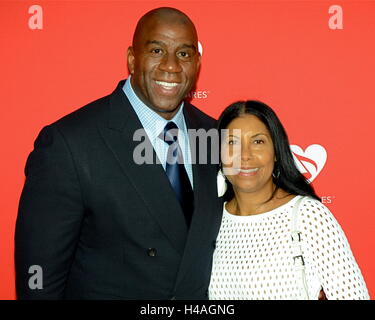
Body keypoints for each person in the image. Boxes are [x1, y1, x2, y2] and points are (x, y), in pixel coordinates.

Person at [15, 7, 222, 299]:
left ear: (198, 63)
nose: (171, 66)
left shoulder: (216, 136)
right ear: (131, 59)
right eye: (157, 50)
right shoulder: (69, 144)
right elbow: (39, 281)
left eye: (185, 54)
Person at [208, 100, 369, 300]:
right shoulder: (208, 219)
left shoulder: (309, 216)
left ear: (276, 152)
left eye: (258, 141)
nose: (245, 155)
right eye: (232, 142)